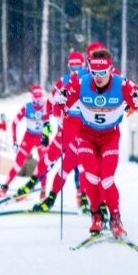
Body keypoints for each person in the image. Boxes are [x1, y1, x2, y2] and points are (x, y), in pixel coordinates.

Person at [51, 48, 138, 238]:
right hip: (86, 135)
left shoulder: (124, 85)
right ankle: (96, 216)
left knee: (106, 178)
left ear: (110, 70)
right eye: (94, 72)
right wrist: (59, 101)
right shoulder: (79, 82)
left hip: (110, 137)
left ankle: (115, 219)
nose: (98, 77)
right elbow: (58, 111)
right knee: (91, 177)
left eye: (102, 73)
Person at [34, 51, 90, 212]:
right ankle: (41, 191)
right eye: (72, 66)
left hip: (82, 132)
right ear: (68, 66)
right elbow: (49, 104)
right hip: (64, 129)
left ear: (83, 65)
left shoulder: (88, 81)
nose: (75, 69)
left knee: (80, 166)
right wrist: (46, 128)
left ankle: (83, 198)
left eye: (78, 66)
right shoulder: (63, 81)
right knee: (52, 162)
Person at [0, 85, 52, 199]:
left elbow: (60, 116)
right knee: (18, 163)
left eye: (40, 97)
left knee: (43, 164)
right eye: (35, 97)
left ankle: (43, 190)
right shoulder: (27, 108)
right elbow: (14, 123)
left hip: (42, 137)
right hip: (29, 137)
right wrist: (15, 142)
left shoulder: (47, 107)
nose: (38, 100)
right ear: (32, 97)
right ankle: (4, 187)